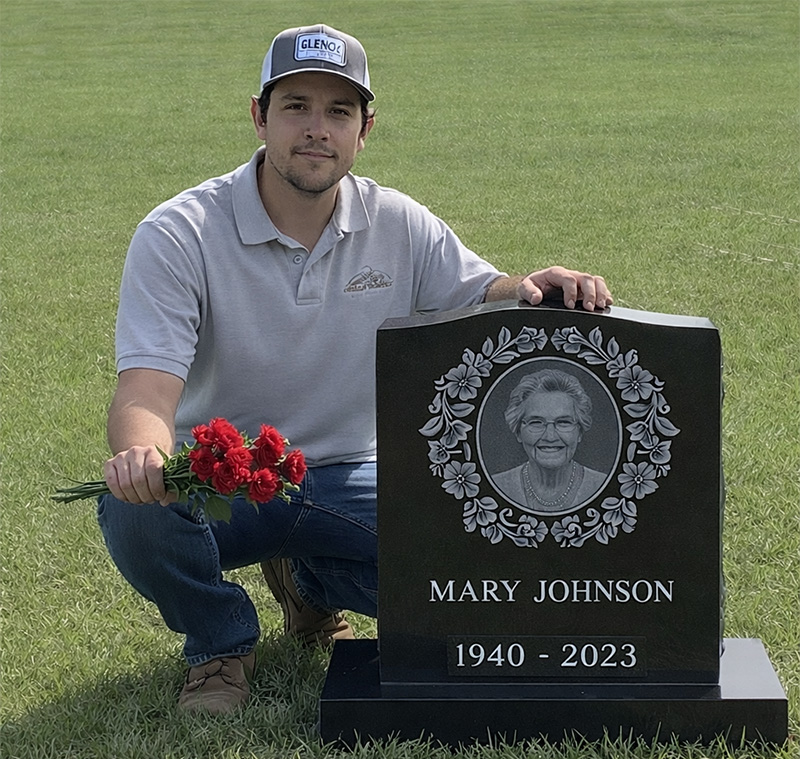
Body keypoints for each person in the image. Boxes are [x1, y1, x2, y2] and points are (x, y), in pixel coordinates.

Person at [98, 23, 613, 715]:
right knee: (135, 516)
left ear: (364, 130)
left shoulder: (398, 222)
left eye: (339, 112)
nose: (317, 129)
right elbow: (145, 390)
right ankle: (219, 648)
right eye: (297, 107)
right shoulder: (179, 232)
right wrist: (146, 455)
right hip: (228, 482)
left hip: (350, 476)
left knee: (476, 587)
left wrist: (535, 284)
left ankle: (309, 585)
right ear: (259, 116)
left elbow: (481, 293)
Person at [492, 369, 609, 511]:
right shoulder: (494, 487)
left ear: (579, 432)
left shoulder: (607, 487)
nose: (550, 436)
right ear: (518, 432)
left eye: (563, 422)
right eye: (536, 422)